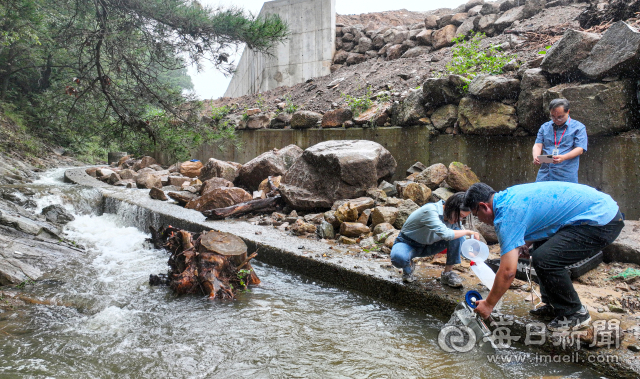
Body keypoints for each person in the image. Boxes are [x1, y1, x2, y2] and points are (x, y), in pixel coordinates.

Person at [463, 182, 624, 331]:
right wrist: (524, 243)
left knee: (545, 259)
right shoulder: (508, 198)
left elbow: (508, 272)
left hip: (602, 220)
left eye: (477, 215)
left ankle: (575, 313)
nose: (481, 221)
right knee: (540, 250)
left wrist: (489, 304)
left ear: (484, 207)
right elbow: (544, 219)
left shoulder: (506, 216)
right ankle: (555, 305)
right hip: (592, 211)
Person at [390, 192, 480, 287]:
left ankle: (447, 273)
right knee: (398, 258)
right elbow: (446, 234)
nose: (460, 219)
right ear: (451, 207)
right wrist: (469, 232)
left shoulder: (454, 220)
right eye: (460, 215)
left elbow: (459, 244)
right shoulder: (430, 210)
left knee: (458, 233)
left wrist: (474, 256)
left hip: (430, 246)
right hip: (408, 243)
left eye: (463, 217)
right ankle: (408, 267)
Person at [532, 98, 588, 183]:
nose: (556, 120)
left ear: (568, 112)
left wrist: (563, 157)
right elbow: (538, 144)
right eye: (552, 116)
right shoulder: (545, 127)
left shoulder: (578, 127)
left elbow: (580, 149)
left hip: (566, 174)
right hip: (545, 174)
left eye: (560, 117)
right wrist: (536, 156)